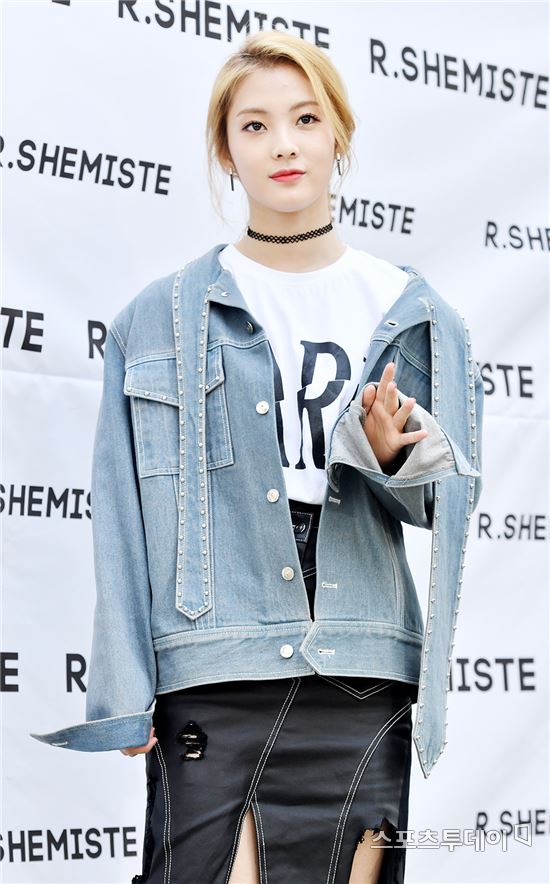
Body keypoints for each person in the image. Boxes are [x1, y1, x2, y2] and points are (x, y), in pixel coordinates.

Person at [30, 29, 484, 884]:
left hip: (360, 668)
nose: (282, 144)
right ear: (224, 151)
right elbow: (120, 515)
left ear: (338, 134)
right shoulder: (154, 319)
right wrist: (124, 690)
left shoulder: (416, 311)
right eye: (254, 125)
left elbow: (447, 511)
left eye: (305, 119)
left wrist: (392, 458)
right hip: (216, 662)